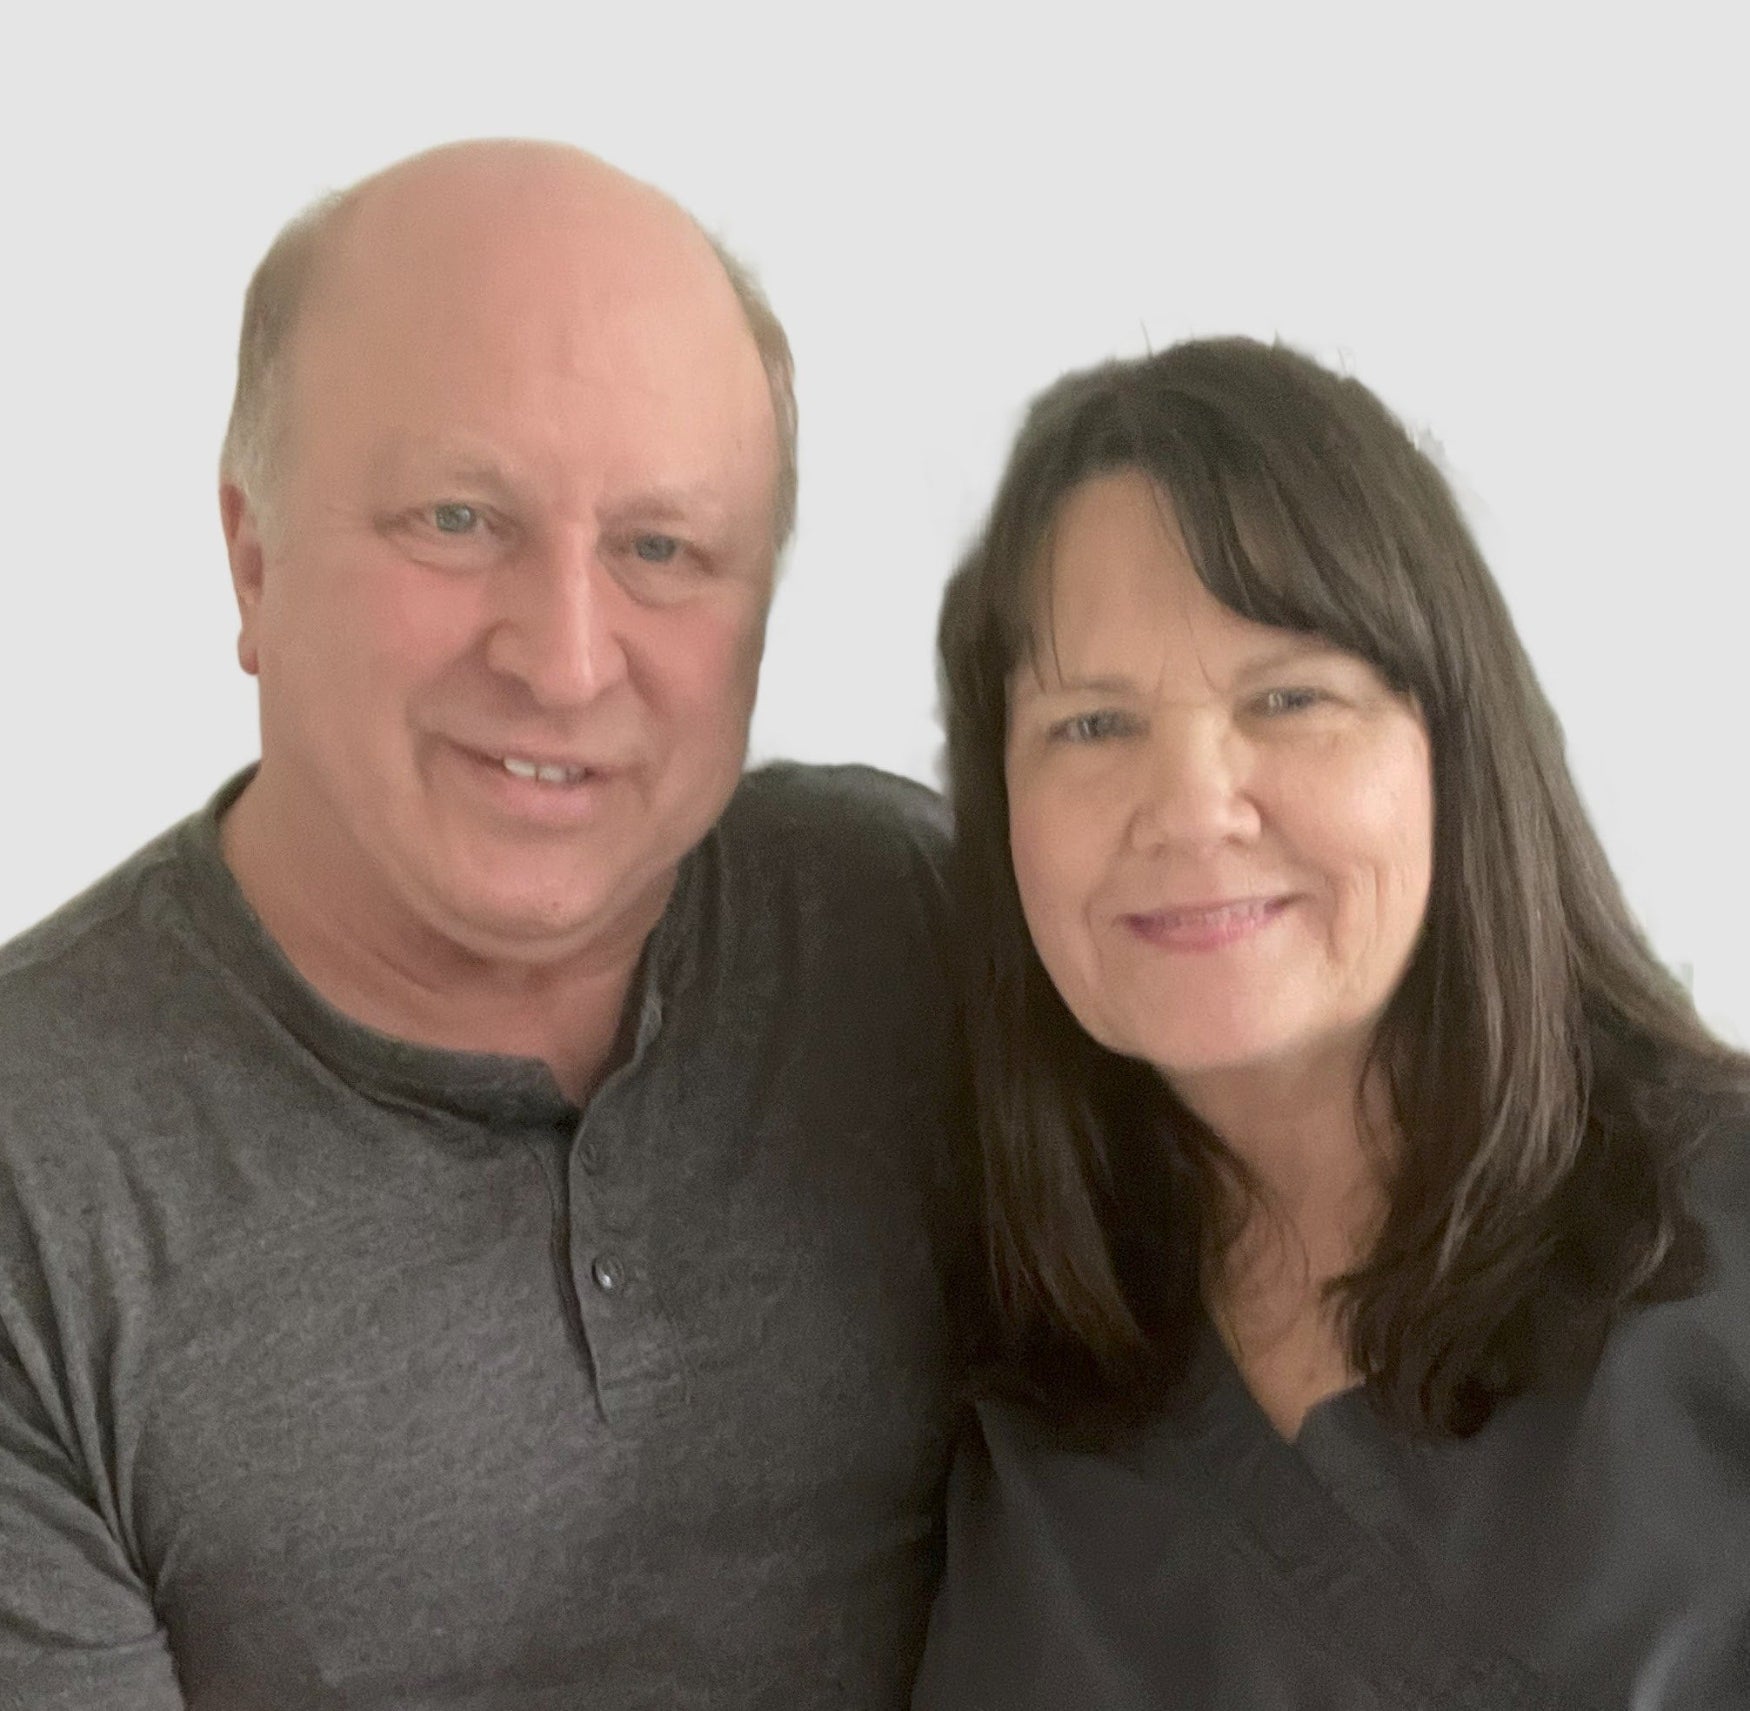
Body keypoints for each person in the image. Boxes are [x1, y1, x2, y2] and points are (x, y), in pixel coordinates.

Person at [0, 140, 967, 1711]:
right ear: (252, 557)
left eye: (660, 548)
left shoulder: (910, 928)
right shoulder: (34, 1183)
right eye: (455, 519)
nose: (564, 660)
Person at [912, 337, 1750, 1708]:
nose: (1192, 807)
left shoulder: (1722, 1241)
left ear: (1454, 750)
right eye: (1091, 725)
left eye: (1288, 698)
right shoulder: (996, 1393)